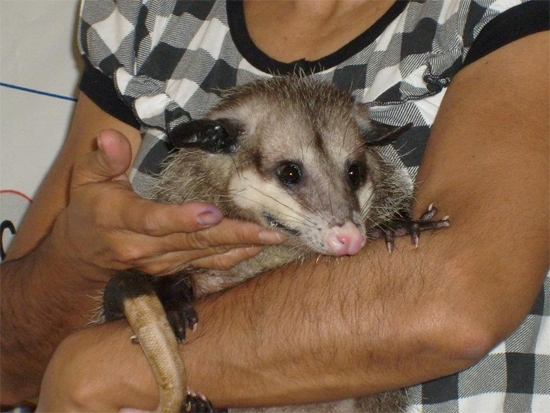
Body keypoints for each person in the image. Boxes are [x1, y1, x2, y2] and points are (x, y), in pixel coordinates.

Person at [1, 0, 548, 411]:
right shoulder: (145, 14)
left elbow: (451, 304)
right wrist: (74, 262)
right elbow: (10, 367)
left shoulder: (498, 13)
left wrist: (122, 361)